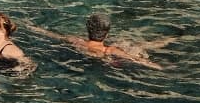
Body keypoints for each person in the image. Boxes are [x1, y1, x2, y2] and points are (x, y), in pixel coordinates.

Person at [30, 12, 174, 68]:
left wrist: (32, 27)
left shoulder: (76, 41)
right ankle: (166, 41)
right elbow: (135, 59)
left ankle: (163, 42)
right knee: (136, 47)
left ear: (88, 30)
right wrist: (158, 66)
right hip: (108, 61)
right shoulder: (111, 49)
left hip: (88, 59)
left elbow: (50, 34)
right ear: (106, 33)